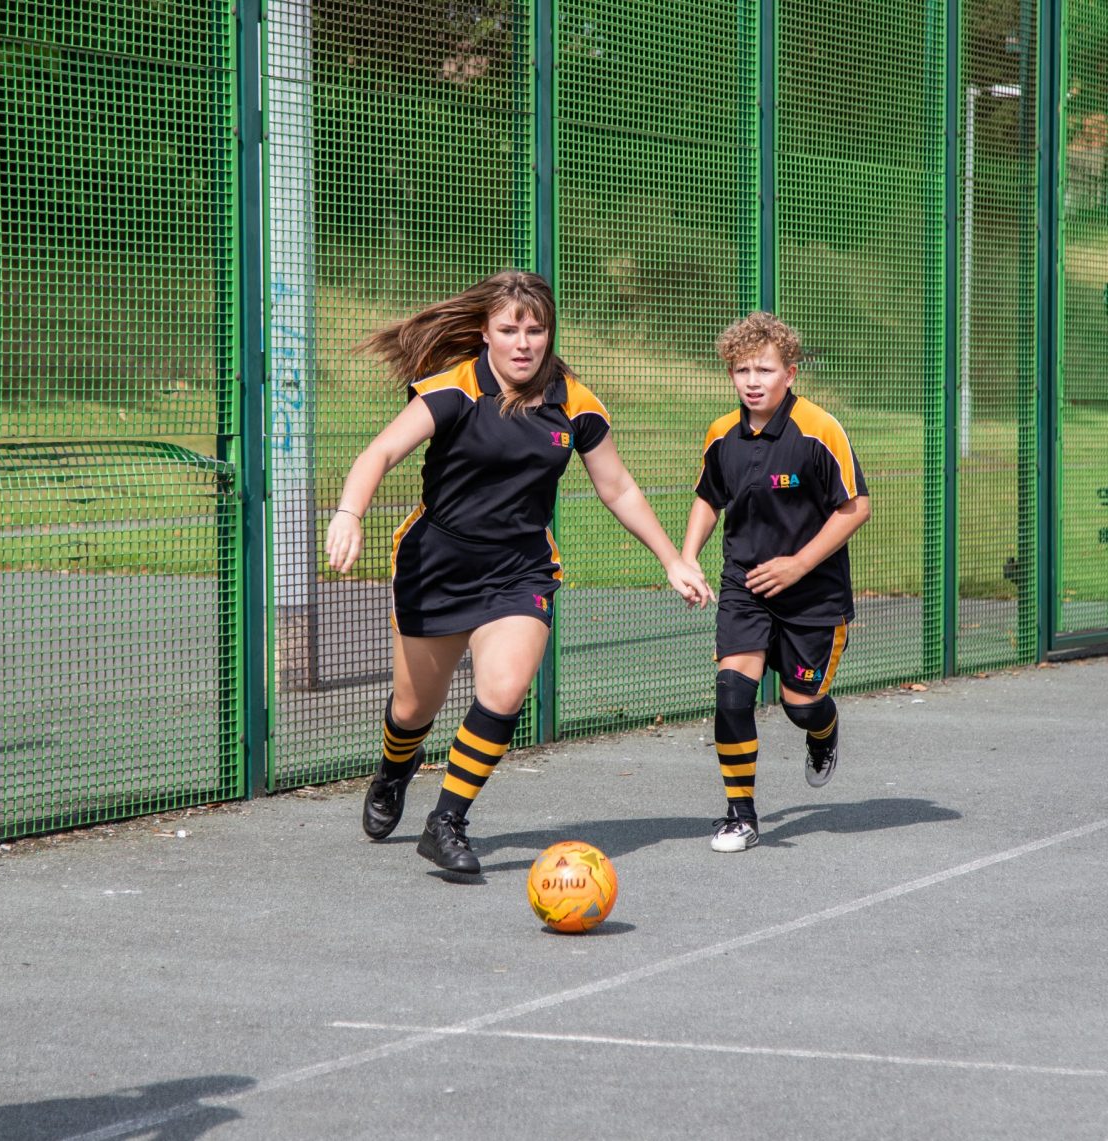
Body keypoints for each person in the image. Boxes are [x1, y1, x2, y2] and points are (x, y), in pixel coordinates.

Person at [326, 270, 712, 875]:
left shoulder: (573, 401)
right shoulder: (455, 389)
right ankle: (393, 772)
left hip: (520, 569)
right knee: (412, 710)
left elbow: (618, 487)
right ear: (485, 332)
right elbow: (380, 452)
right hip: (437, 565)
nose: (523, 342)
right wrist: (350, 514)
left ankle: (447, 820)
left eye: (536, 329)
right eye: (509, 329)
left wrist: (673, 558)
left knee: (503, 693)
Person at [680, 312, 870, 853]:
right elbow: (708, 498)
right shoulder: (722, 432)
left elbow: (856, 508)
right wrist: (688, 557)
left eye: (764, 369)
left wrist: (797, 565)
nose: (752, 380)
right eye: (741, 370)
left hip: (813, 593)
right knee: (732, 694)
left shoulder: (819, 429)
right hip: (744, 585)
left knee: (800, 703)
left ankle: (822, 732)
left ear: (790, 373)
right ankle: (741, 815)